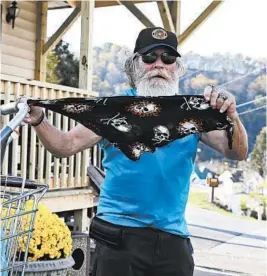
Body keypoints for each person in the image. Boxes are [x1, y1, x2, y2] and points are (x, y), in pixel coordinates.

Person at [24, 27, 248, 276]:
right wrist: (39, 120)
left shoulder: (192, 114)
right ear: (135, 65)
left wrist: (232, 117)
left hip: (173, 241)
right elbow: (66, 145)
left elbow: (236, 152)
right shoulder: (115, 111)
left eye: (168, 58)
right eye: (150, 58)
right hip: (118, 235)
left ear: (178, 67)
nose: (159, 65)